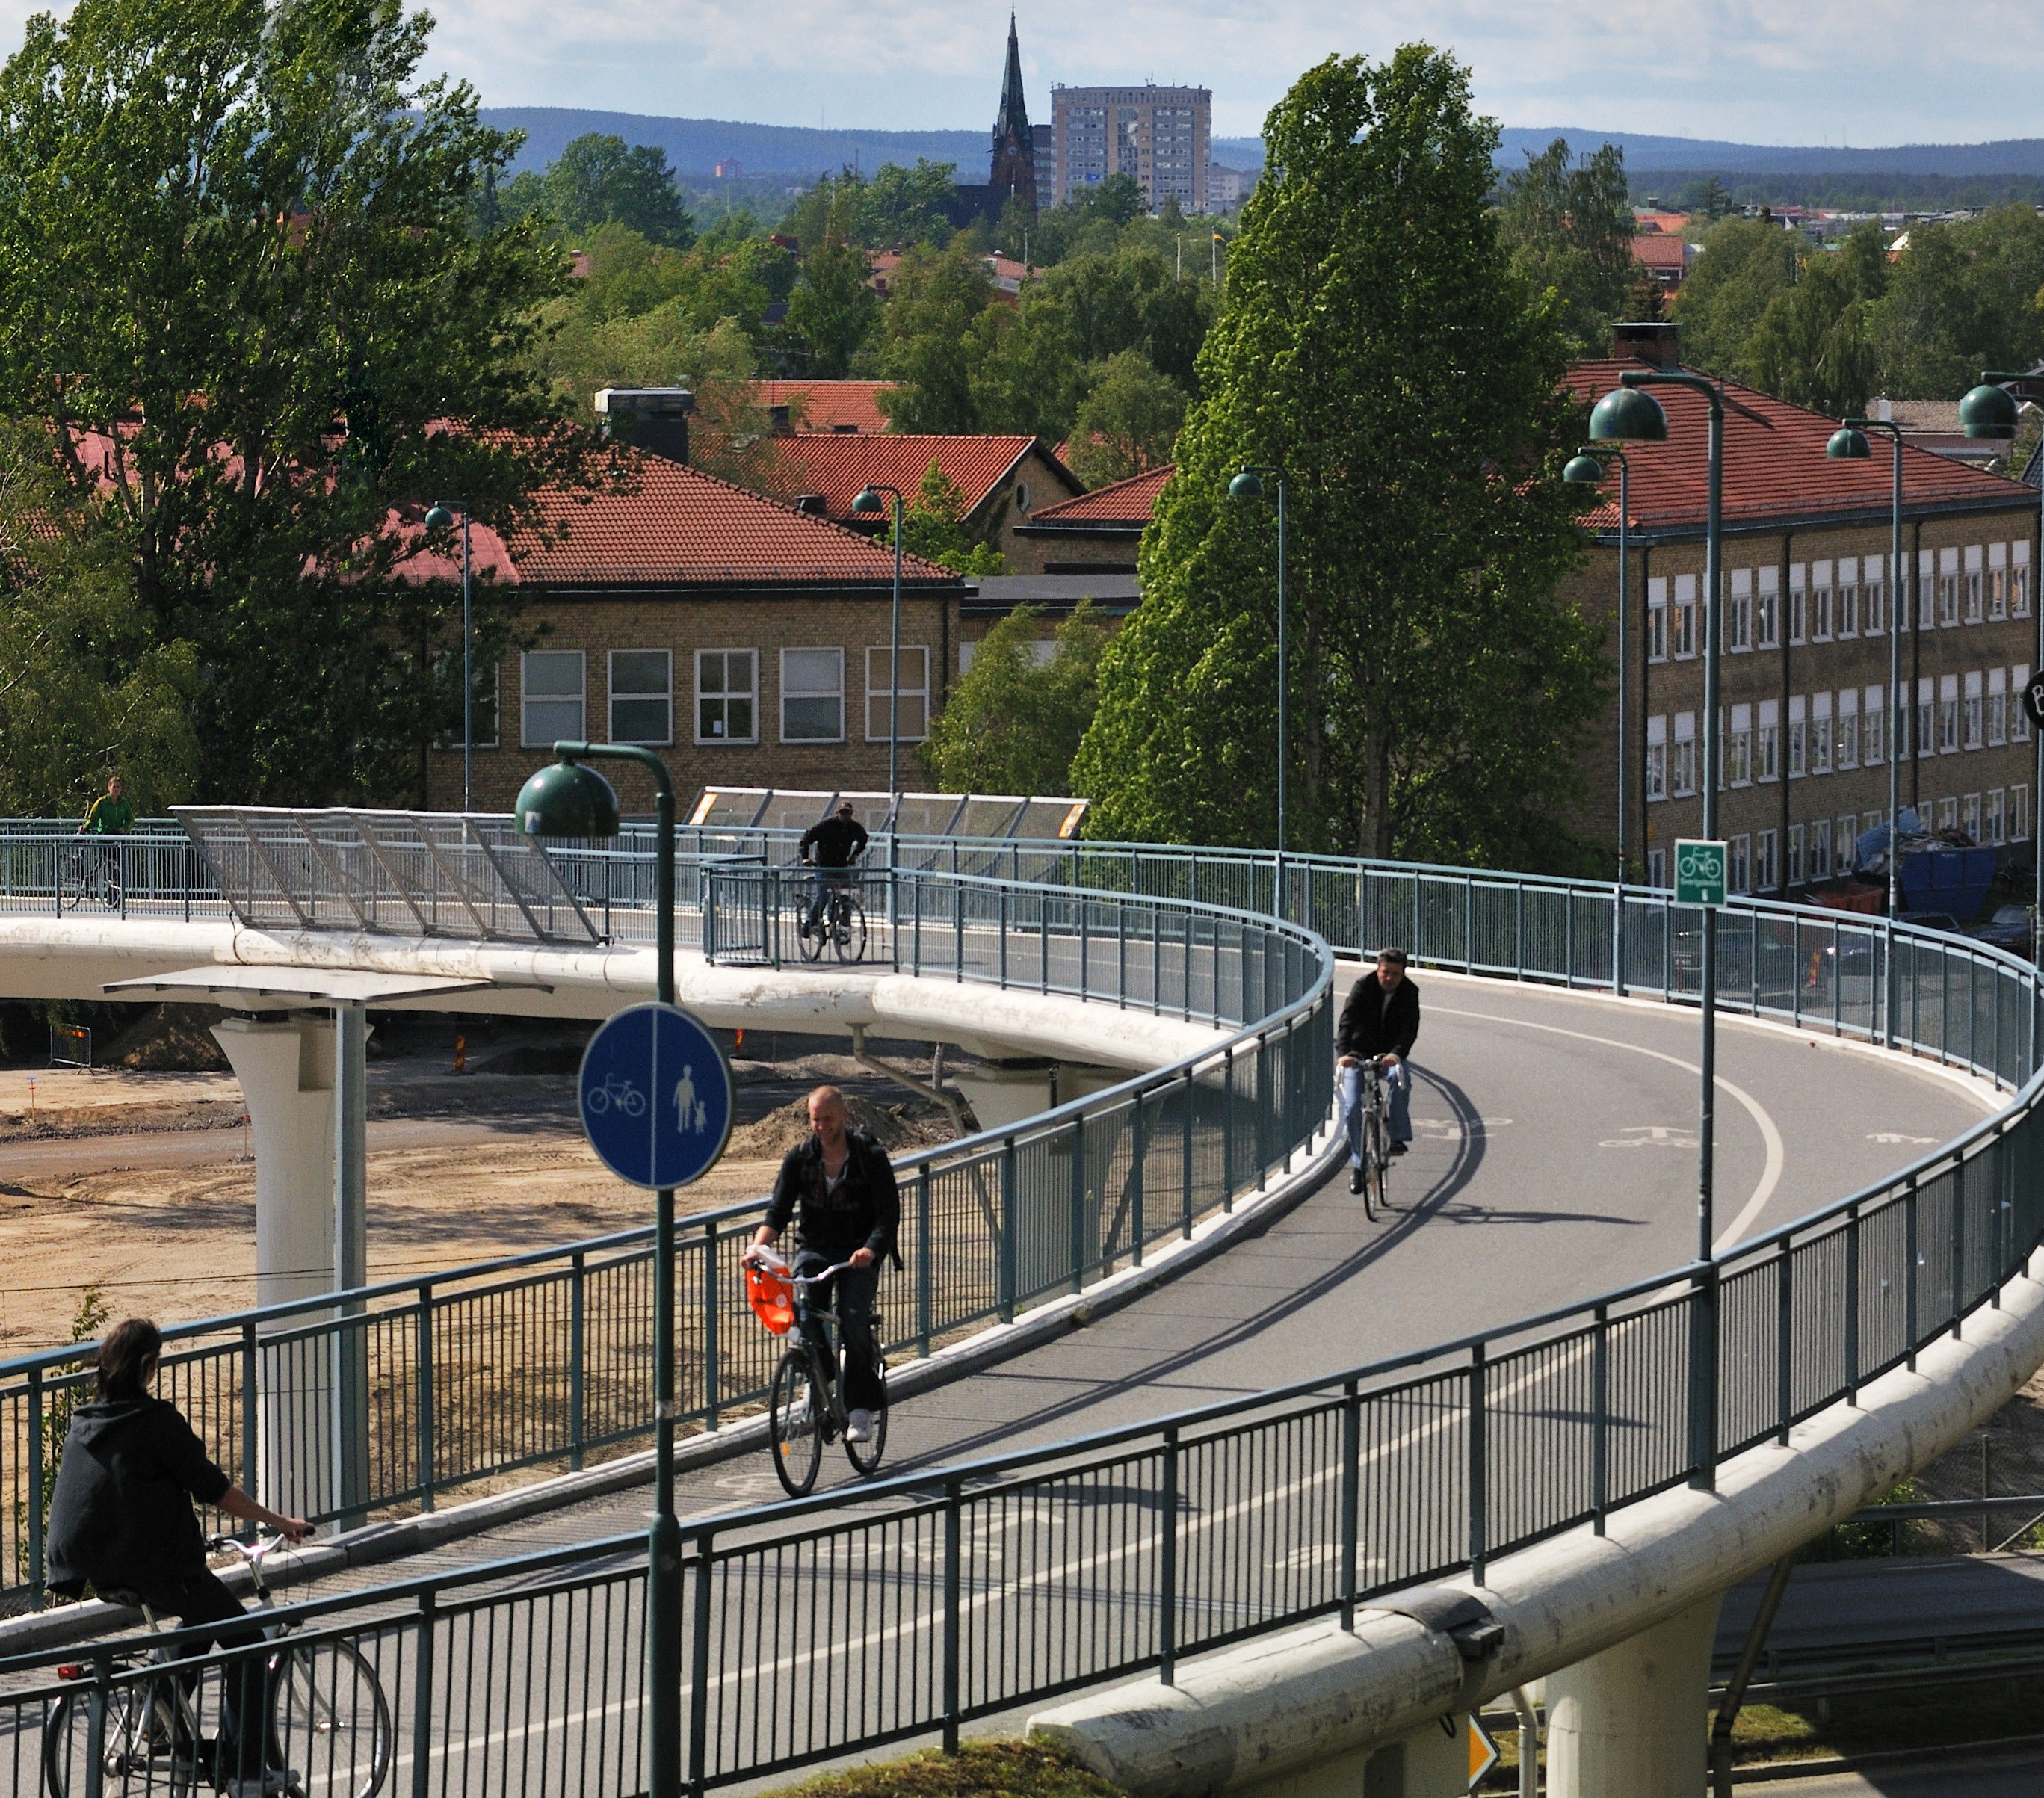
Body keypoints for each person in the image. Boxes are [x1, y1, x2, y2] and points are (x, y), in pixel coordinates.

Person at [45, 1317, 312, 1798]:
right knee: (248, 1640)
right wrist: (279, 1522)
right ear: (149, 1366)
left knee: (200, 1619)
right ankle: (245, 1771)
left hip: (100, 1569)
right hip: (160, 1567)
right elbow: (214, 1488)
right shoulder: (155, 1422)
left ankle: (165, 1708)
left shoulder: (88, 1420)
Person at [747, 1086, 900, 1443]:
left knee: (852, 1319)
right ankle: (823, 1380)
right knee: (805, 1317)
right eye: (815, 1119)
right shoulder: (799, 1158)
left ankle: (860, 1408)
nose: (821, 1126)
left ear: (844, 1117)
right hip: (814, 1250)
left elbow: (888, 1214)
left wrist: (871, 1250)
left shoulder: (869, 1156)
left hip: (857, 1256)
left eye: (828, 1119)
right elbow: (778, 1213)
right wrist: (757, 1247)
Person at [1337, 947, 1421, 1192]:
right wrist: (1344, 1054)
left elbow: (1410, 1029)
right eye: (1385, 972)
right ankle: (1358, 1164)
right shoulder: (1363, 987)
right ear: (1378, 969)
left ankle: (1396, 1136)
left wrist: (1397, 1054)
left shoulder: (1409, 992)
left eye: (1395, 974)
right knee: (1352, 1106)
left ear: (1403, 974)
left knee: (1401, 1080)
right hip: (1358, 1055)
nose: (1389, 978)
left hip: (1390, 1056)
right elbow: (1347, 1022)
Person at [798, 801, 869, 939]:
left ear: (851, 814)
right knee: (823, 896)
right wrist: (805, 857)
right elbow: (807, 838)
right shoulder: (826, 825)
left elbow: (863, 840)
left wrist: (854, 855)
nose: (845, 815)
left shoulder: (854, 827)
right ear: (837, 813)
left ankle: (842, 926)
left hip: (841, 865)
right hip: (824, 865)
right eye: (842, 812)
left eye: (847, 812)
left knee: (846, 896)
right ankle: (808, 924)